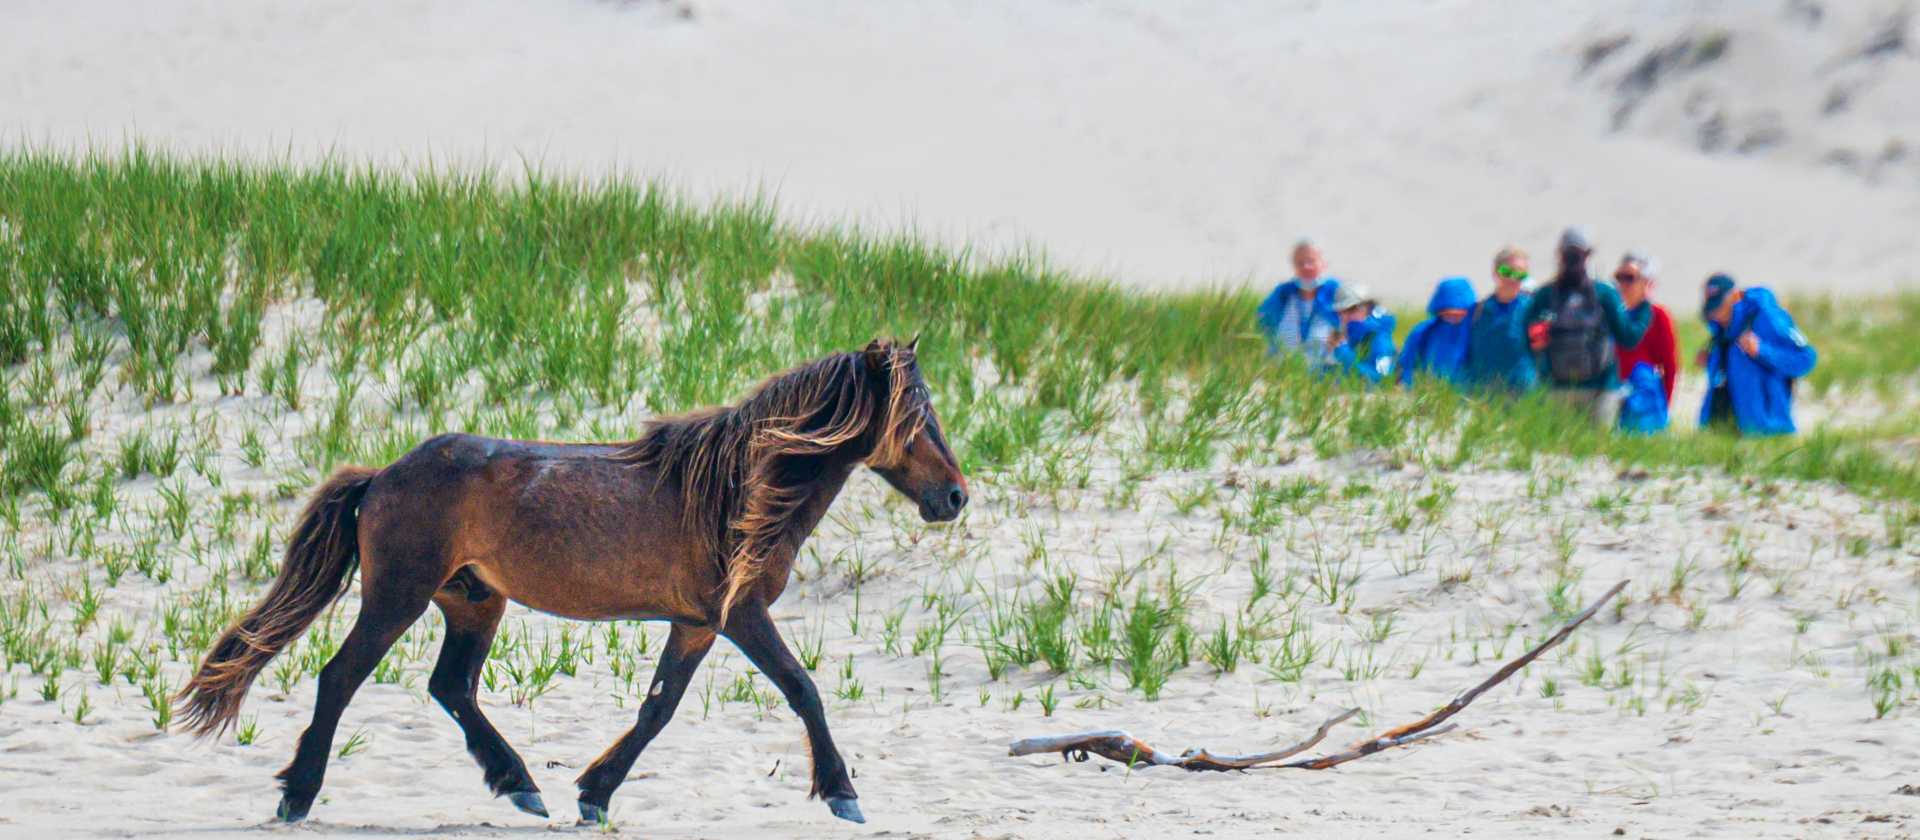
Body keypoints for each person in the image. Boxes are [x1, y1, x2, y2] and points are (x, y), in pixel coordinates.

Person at [1522, 226, 1652, 428]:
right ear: (1589, 255)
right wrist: (1645, 308)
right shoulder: (1605, 293)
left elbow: (1525, 338)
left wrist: (1542, 366)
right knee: (1597, 454)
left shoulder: (1545, 295)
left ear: (1559, 255)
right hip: (1602, 388)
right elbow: (1629, 338)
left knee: (1559, 452)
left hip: (1557, 387)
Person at [1698, 273, 1816, 436]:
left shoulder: (1767, 317)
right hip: (1723, 433)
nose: (1716, 314)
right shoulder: (1720, 329)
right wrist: (1711, 360)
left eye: (1720, 306)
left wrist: (1762, 351)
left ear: (1735, 296)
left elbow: (1805, 359)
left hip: (1768, 432)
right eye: (1712, 308)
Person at [1464, 246, 1538, 393]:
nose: (1513, 278)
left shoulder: (1533, 310)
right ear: (1495, 273)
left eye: (1520, 274)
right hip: (1482, 396)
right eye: (1507, 272)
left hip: (1522, 395)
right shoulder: (1477, 311)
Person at [1256, 240, 1341, 359]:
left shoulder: (1337, 294)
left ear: (1323, 263)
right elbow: (1262, 322)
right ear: (1294, 267)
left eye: (1311, 261)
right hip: (1284, 368)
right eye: (1300, 263)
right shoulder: (1283, 294)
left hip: (1326, 371)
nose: (1306, 267)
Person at [1612, 253, 1678, 405]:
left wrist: (1664, 405)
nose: (1622, 284)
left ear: (1646, 282)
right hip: (1612, 395)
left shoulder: (1659, 316)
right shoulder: (1612, 312)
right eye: (1619, 277)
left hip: (1643, 399)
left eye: (1630, 278)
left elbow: (1670, 365)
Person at [1397, 276, 1476, 387]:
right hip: (1429, 390)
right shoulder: (1424, 331)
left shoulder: (1476, 332)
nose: (1453, 318)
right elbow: (1408, 362)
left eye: (1459, 314)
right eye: (1447, 314)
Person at [1323, 283, 1396, 384]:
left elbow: (1382, 379)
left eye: (1352, 309)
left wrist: (1344, 354)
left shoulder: (1379, 340)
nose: (1345, 316)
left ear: (1368, 308)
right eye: (1340, 312)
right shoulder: (1344, 337)